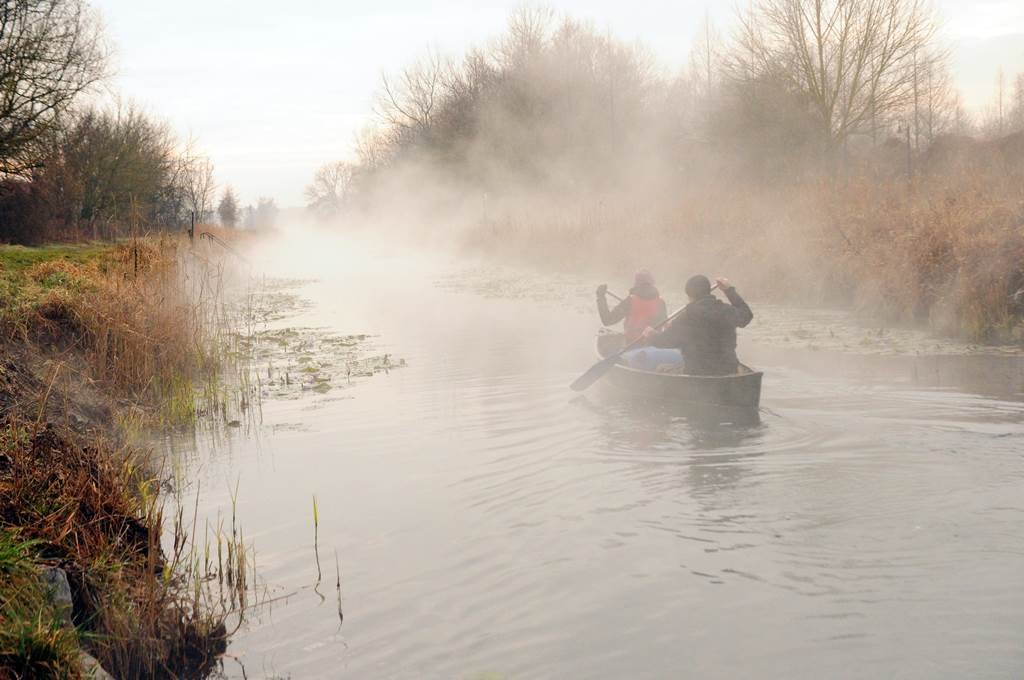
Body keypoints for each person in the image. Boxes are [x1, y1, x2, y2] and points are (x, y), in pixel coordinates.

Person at [643, 275, 753, 376]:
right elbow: (746, 315)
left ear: (689, 295)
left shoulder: (685, 317)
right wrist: (729, 290)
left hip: (697, 374)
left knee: (661, 368)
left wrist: (651, 335)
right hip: (728, 371)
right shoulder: (726, 311)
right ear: (708, 291)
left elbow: (665, 341)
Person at [596, 269, 668, 343]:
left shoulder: (630, 301)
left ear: (636, 284)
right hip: (653, 345)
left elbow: (607, 320)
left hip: (632, 344)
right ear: (652, 283)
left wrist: (601, 297)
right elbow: (664, 326)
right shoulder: (661, 302)